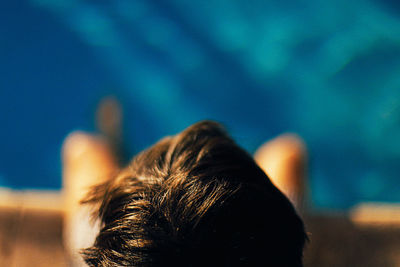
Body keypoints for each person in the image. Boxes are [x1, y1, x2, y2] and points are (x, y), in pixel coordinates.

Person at [63, 121, 307, 266]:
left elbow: (80, 147)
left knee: (85, 149)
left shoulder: (95, 239)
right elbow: (288, 151)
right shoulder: (270, 240)